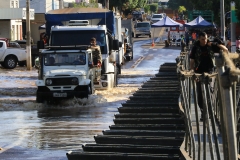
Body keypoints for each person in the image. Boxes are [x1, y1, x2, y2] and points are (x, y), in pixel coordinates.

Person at [189, 32, 228, 121]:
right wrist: (192, 72)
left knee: (209, 91)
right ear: (199, 39)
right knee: (200, 93)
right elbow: (192, 61)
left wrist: (215, 44)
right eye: (203, 39)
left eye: (206, 39)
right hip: (198, 72)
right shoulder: (196, 47)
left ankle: (209, 111)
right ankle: (203, 112)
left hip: (210, 72)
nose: (205, 41)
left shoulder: (210, 45)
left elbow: (225, 50)